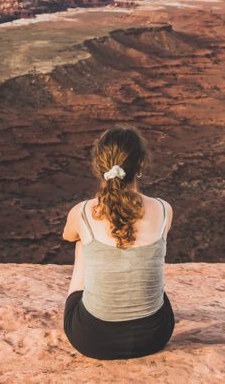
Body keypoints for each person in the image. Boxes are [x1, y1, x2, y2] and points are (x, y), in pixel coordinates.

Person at [61, 125, 175, 360]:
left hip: (92, 339)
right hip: (154, 336)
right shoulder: (164, 210)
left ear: (98, 166)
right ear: (141, 165)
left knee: (83, 241)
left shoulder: (82, 212)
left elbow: (68, 236)